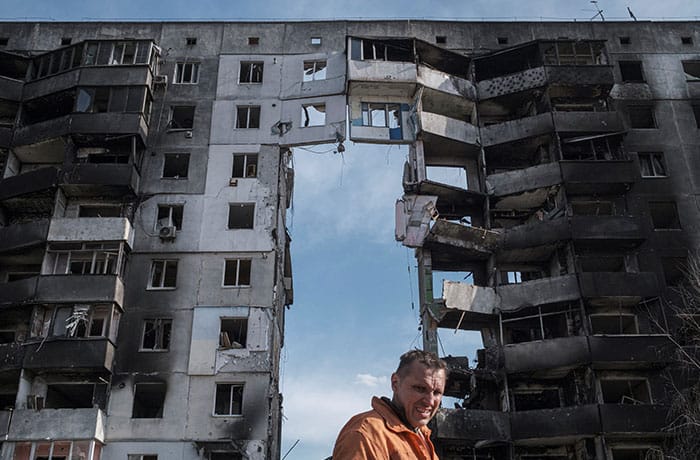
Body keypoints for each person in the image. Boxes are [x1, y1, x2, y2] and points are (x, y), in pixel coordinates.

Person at [332, 349, 447, 460]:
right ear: (395, 383)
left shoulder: (422, 436)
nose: (430, 401)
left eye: (437, 393)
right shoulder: (367, 434)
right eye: (420, 389)